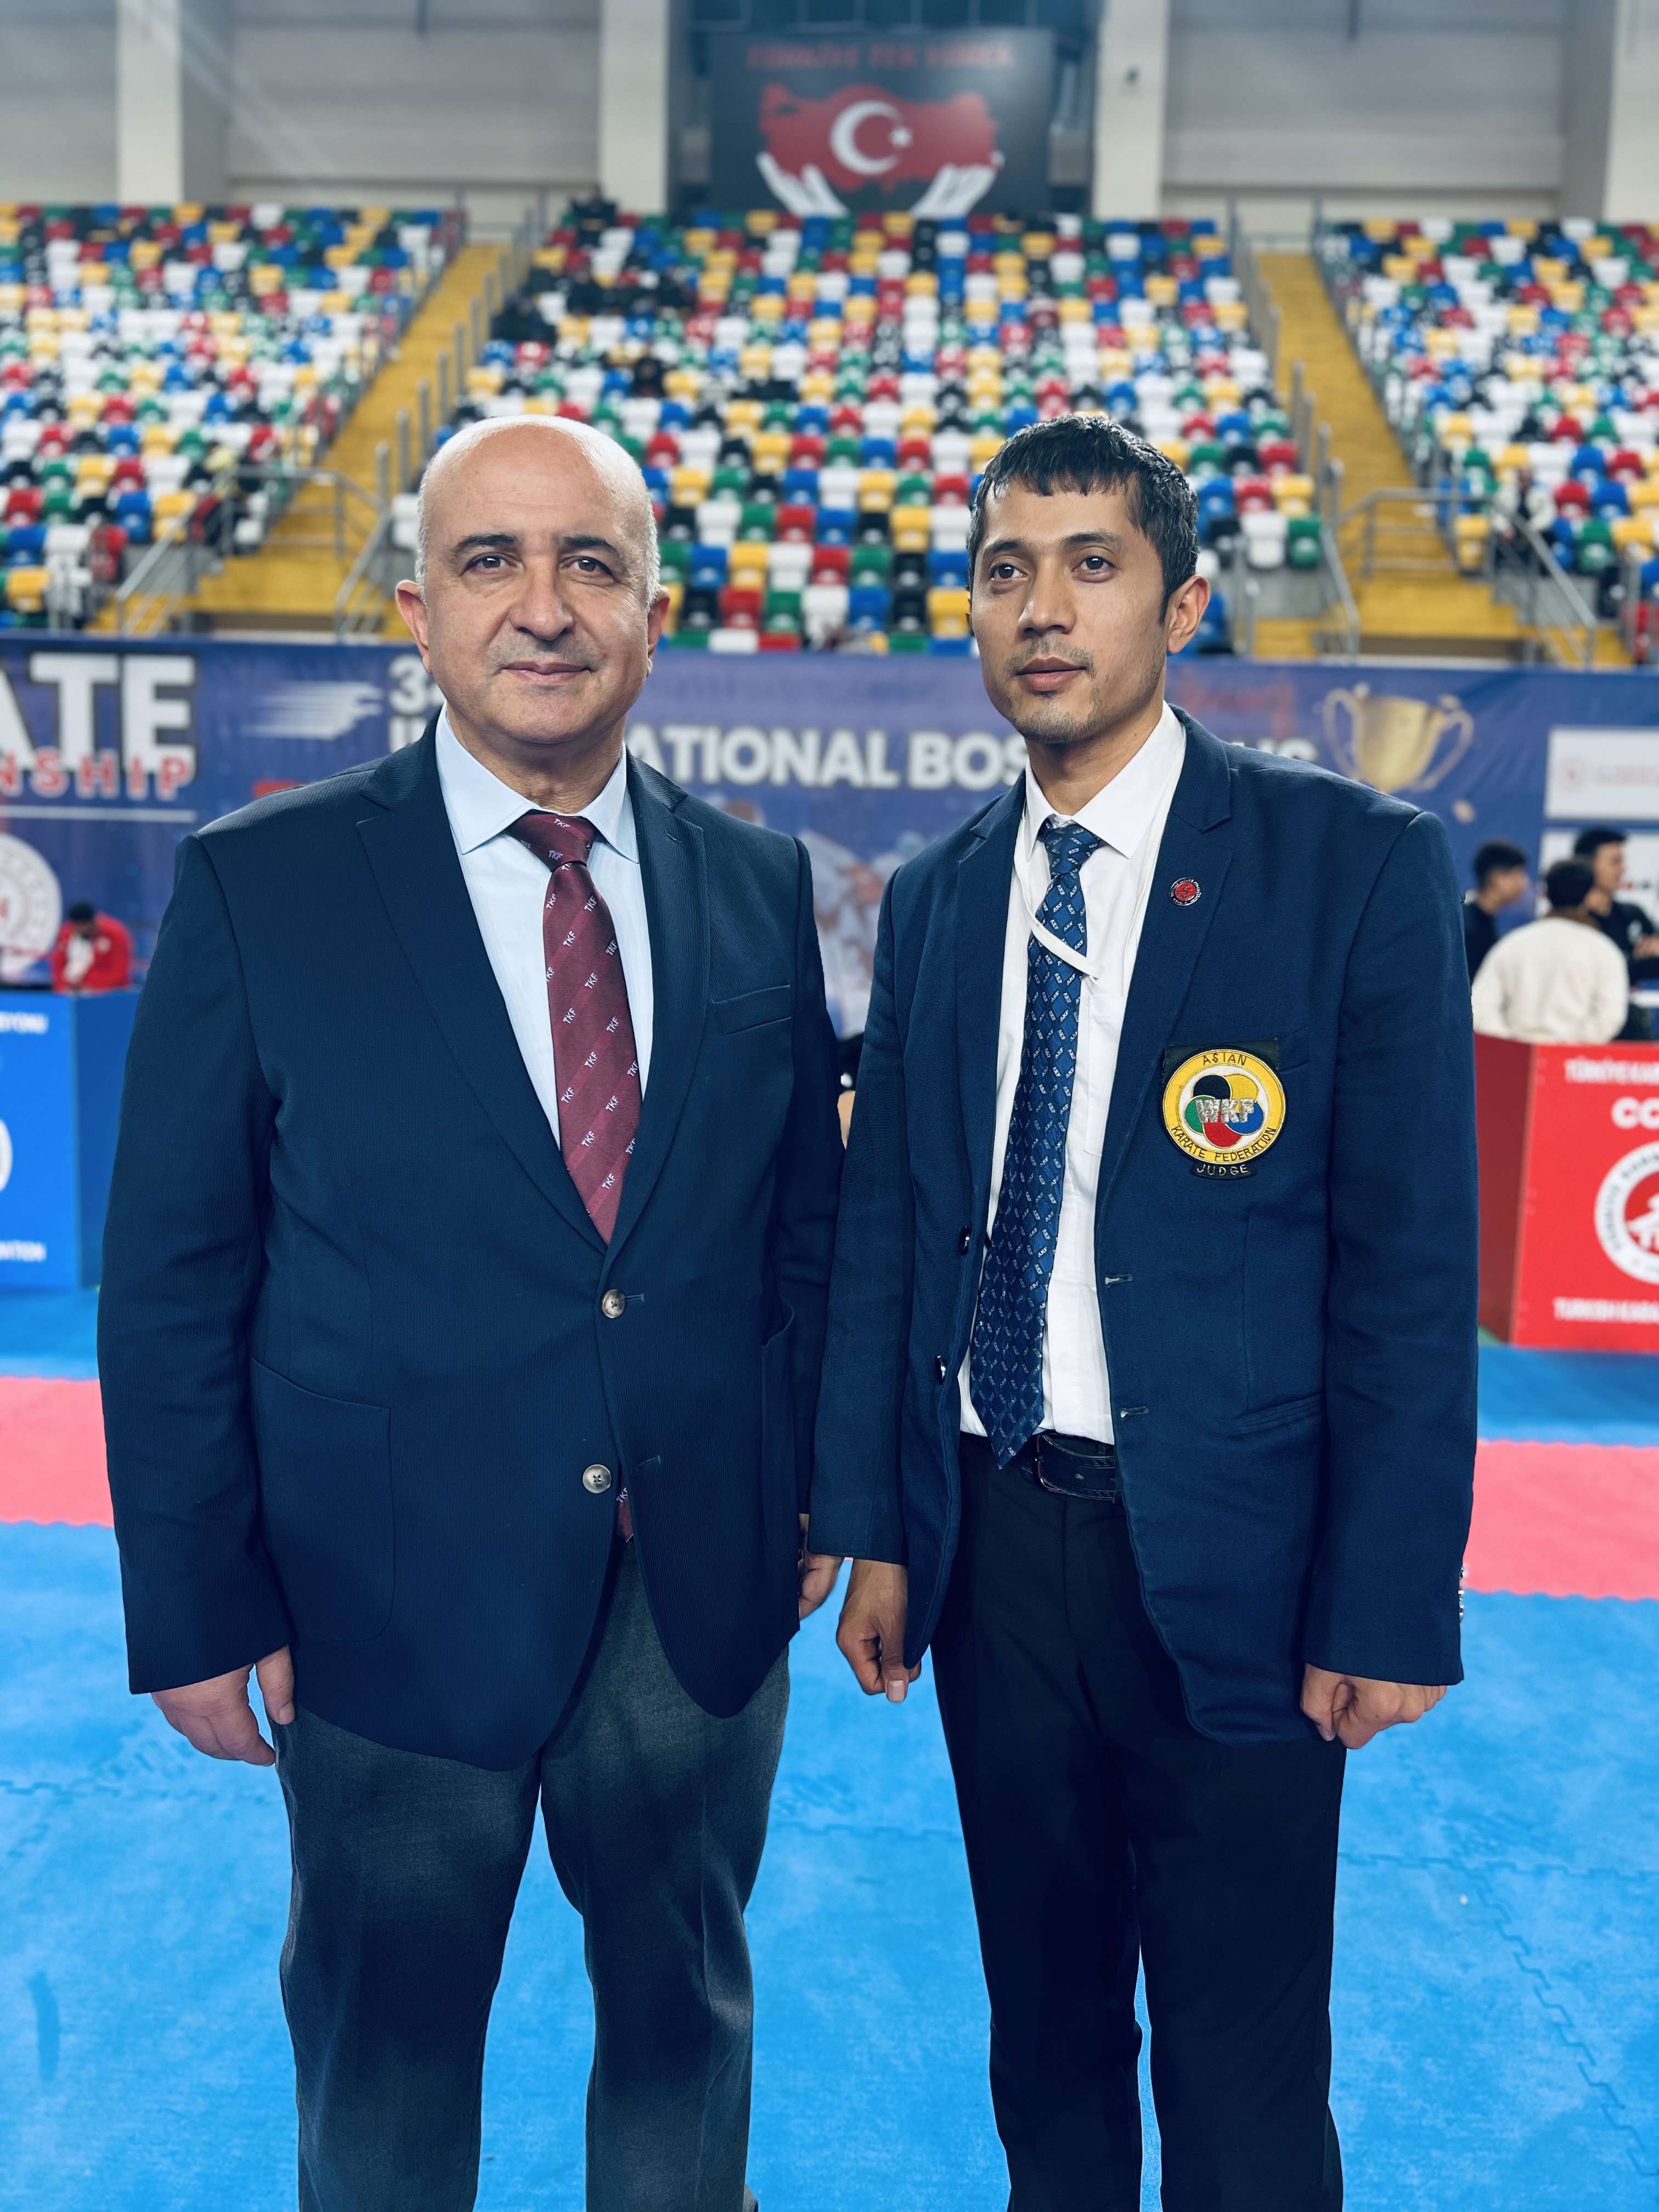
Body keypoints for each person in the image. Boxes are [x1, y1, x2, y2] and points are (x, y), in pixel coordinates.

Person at [99, 415, 843, 2212]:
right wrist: (193, 1602)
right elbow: (177, 1275)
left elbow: (802, 1235)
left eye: (590, 562)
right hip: (382, 1595)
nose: (544, 605)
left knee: (685, 2027)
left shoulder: (755, 886)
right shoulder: (263, 882)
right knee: (385, 2057)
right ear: (416, 612)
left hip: (695, 1593)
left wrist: (822, 1490)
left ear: (653, 614)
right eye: (491, 561)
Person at [803, 415, 1477, 2212]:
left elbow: (1409, 1275)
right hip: (991, 1542)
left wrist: (1388, 1597)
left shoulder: (1346, 865)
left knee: (1243, 2073)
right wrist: (879, 1527)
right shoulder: (941, 898)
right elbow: (892, 1231)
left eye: (1091, 565)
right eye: (1005, 570)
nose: (1044, 608)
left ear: (1180, 605)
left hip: (1242, 1555)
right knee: (1045, 2048)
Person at [1472, 856, 1629, 1044]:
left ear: (1546, 894)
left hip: (1515, 1056)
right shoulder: (1604, 951)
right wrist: (1570, 1047)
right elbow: (1610, 1016)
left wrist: (1512, 1045)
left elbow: (1480, 1006)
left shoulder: (1512, 945)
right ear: (1590, 897)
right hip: (1575, 1059)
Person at [1573, 824, 1659, 1039]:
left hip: (1630, 1028)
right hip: (1581, 1030)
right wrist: (1634, 964)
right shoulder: (1571, 922)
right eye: (1615, 862)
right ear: (1587, 864)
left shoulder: (1632, 915)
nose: (1623, 870)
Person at [1462, 837, 1528, 979]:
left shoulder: (1483, 920)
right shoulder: (1467, 928)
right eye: (1518, 874)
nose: (1525, 884)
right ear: (1497, 879)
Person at [48, 899, 132, 991]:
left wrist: (91, 987)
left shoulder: (115, 934)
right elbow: (58, 966)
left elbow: (119, 972)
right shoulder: (66, 934)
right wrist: (63, 986)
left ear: (94, 921)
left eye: (85, 925)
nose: (83, 929)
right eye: (78, 926)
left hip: (108, 993)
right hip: (72, 991)